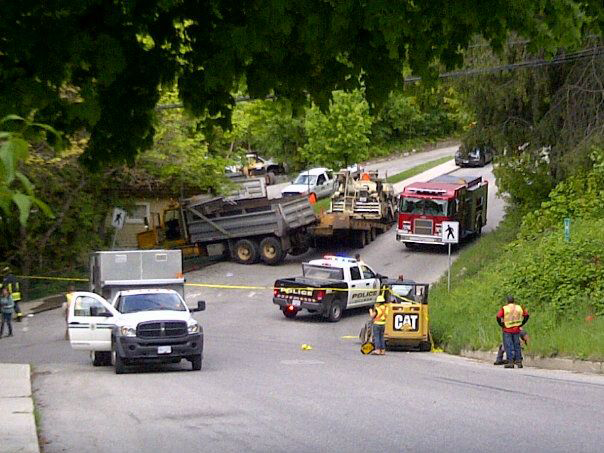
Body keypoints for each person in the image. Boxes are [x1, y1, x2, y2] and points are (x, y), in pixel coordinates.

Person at [496, 296, 529, 368]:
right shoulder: (519, 307)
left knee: (509, 345)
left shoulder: (505, 308)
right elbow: (526, 315)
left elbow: (498, 316)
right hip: (517, 329)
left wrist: (502, 324)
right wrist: (522, 323)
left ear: (507, 301)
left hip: (507, 329)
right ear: (514, 301)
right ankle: (519, 362)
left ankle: (510, 362)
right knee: (517, 345)